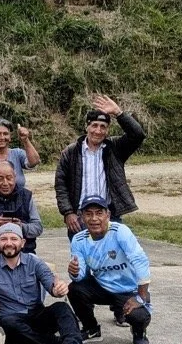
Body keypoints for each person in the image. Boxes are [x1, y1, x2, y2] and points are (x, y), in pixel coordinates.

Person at [0, 224, 92, 344]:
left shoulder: (34, 262)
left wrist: (58, 289)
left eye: (14, 239)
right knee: (8, 323)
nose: (9, 243)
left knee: (62, 307)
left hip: (36, 315)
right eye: (4, 239)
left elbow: (51, 283)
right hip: (11, 320)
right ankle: (60, 342)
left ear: (23, 242)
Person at [67, 196, 153, 344]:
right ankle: (91, 329)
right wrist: (74, 272)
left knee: (139, 316)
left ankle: (139, 332)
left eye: (99, 213)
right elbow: (79, 275)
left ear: (108, 215)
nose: (94, 218)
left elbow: (141, 261)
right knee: (74, 289)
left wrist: (140, 296)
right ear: (82, 217)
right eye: (88, 214)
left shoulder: (120, 232)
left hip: (128, 290)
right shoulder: (78, 240)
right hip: (103, 287)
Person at [56, 95, 146, 238]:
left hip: (109, 216)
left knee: (113, 258)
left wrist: (118, 113)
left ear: (108, 130)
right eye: (94, 126)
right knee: (81, 259)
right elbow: (61, 185)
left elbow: (138, 135)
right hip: (79, 217)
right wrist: (68, 212)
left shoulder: (115, 148)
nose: (98, 131)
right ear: (87, 127)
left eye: (103, 127)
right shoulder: (71, 152)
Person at [0, 160, 44, 262]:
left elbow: (38, 227)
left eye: (9, 178)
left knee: (37, 265)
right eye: (0, 179)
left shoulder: (26, 195)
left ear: (15, 177)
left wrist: (21, 227)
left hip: (24, 251)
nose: (5, 183)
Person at [0, 118, 40, 189]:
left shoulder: (17, 153)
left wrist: (25, 140)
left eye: (5, 134)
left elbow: (35, 162)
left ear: (10, 137)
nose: (2, 137)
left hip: (21, 198)